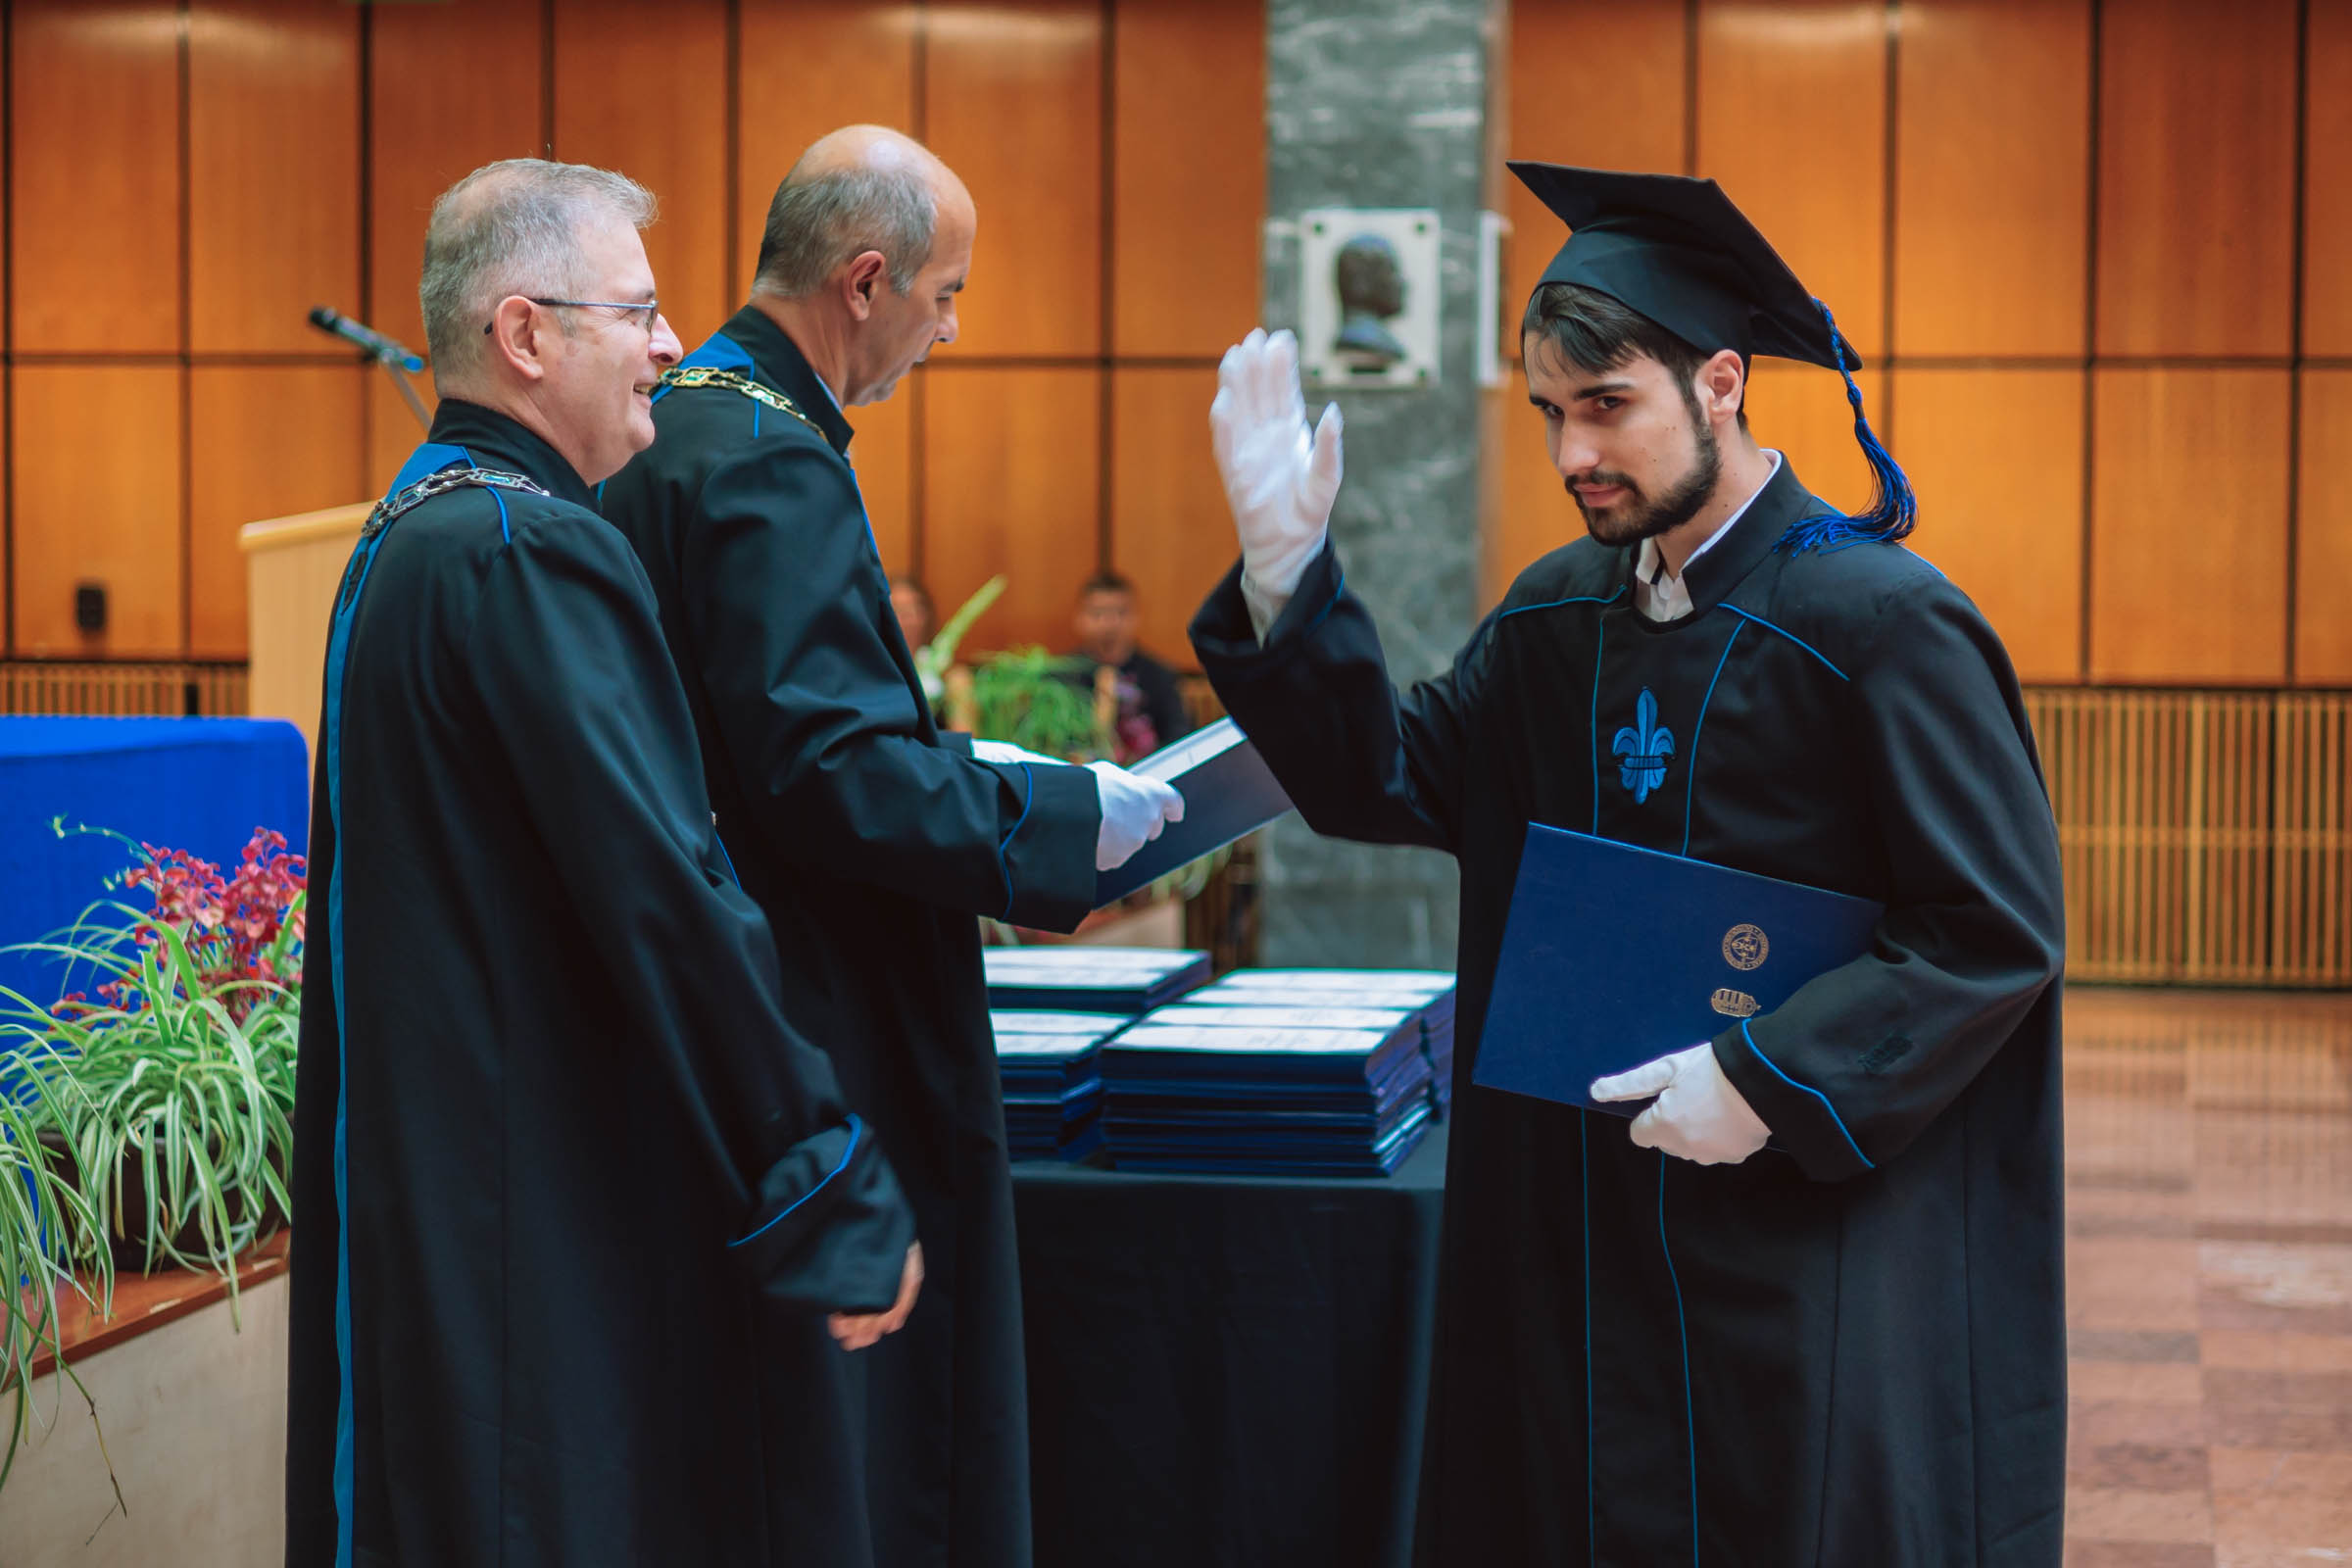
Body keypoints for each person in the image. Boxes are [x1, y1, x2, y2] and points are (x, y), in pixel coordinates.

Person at [1190, 164, 2067, 1566]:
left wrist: (1768, 1078)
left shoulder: (1882, 626)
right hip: (1585, 1228)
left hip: (1793, 1230)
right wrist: (1288, 578)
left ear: (1721, 383)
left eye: (1607, 407)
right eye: (1550, 412)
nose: (1572, 453)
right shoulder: (1555, 616)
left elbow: (1992, 928)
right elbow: (1386, 781)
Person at [283, 159, 922, 1567]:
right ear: (525, 334)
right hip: (531, 1211)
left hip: (447, 1187)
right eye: (636, 312)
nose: (671, 345)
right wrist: (822, 1166)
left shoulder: (416, 529)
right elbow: (669, 896)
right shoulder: (528, 548)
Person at [596, 124, 1180, 1568]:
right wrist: (1059, 818)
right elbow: (827, 773)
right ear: (865, 282)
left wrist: (974, 768)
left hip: (722, 987)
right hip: (820, 999)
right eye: (946, 293)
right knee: (862, 1444)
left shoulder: (687, 424)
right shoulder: (769, 460)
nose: (951, 329)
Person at [1067, 570, 1193, 759]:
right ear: (1079, 619)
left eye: (1121, 613)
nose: (1109, 624)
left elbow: (1180, 739)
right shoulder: (1061, 677)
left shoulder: (1160, 676)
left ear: (1136, 618)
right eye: (1097, 614)